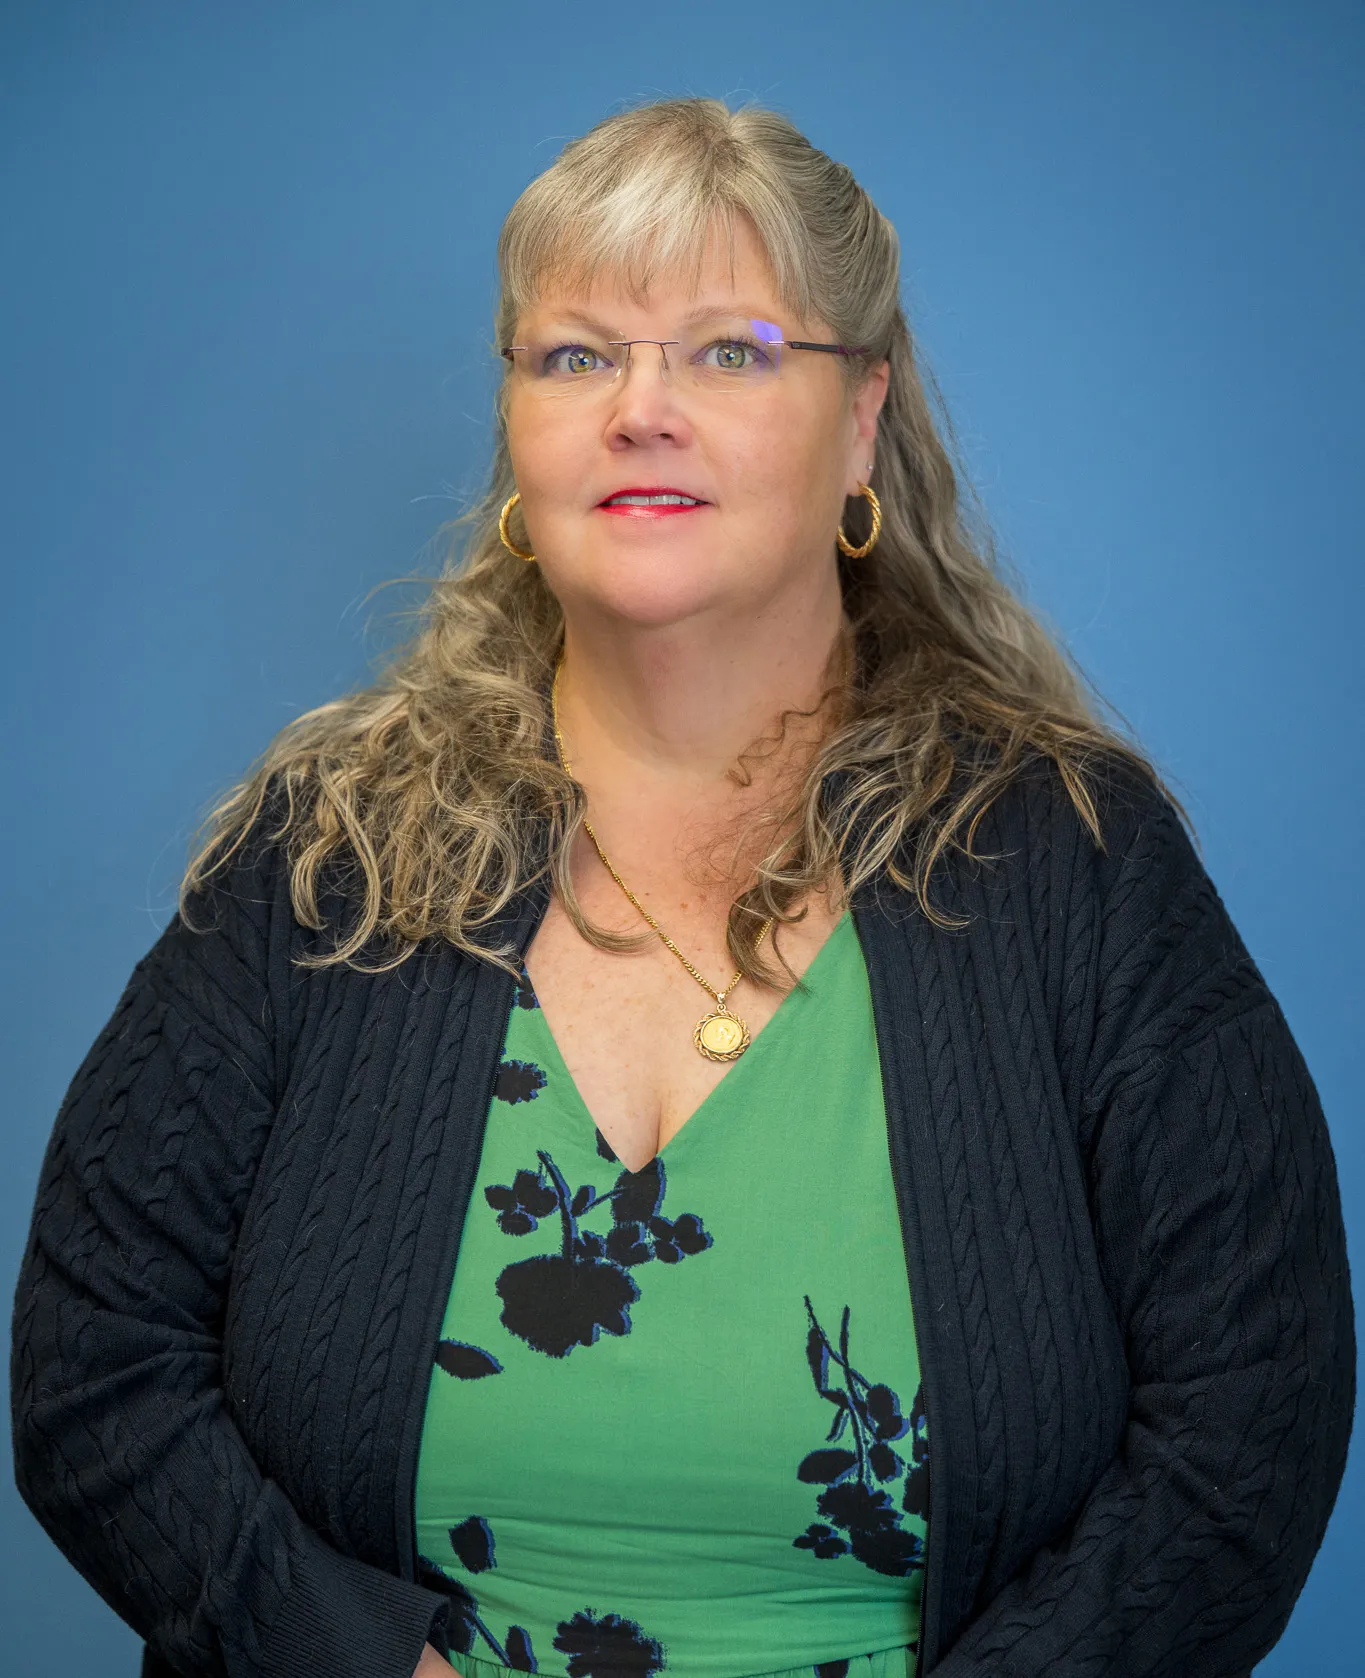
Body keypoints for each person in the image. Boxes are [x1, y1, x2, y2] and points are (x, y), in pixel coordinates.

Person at [10, 95, 1354, 1678]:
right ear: (517, 426)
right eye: (577, 355)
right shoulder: (325, 859)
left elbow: (1249, 1428)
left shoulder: (1075, 857)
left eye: (730, 350)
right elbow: (91, 1365)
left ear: (863, 418)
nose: (641, 409)